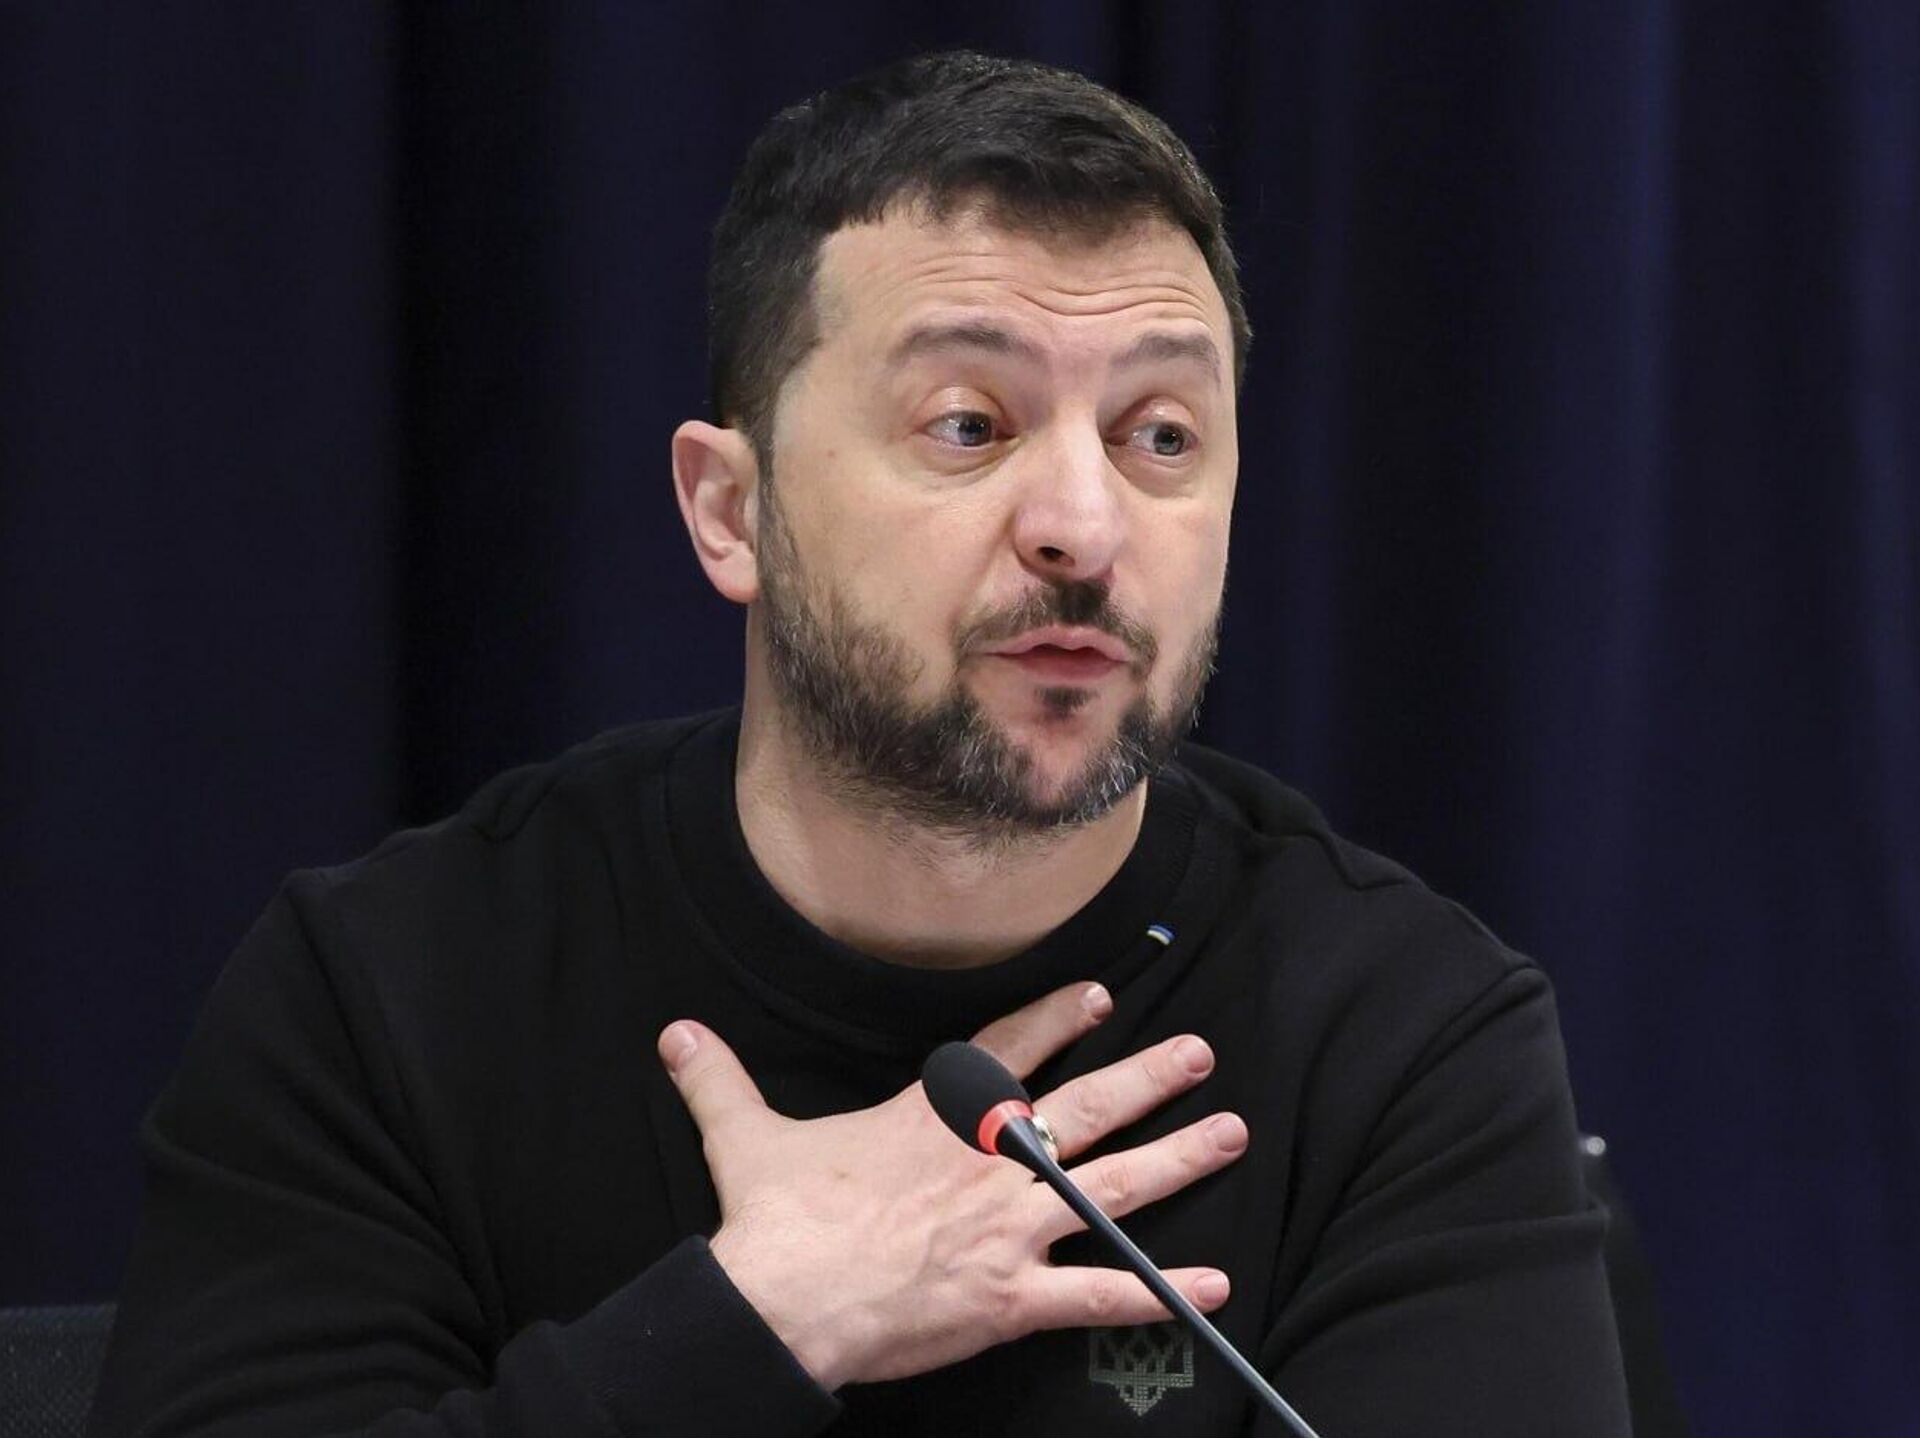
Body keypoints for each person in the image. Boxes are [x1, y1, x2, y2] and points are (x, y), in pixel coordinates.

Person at [89, 51, 1631, 1438]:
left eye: (1160, 435)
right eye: (969, 424)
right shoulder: (390, 998)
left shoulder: (1407, 1039)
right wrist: (758, 1323)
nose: (1083, 525)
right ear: (730, 509)